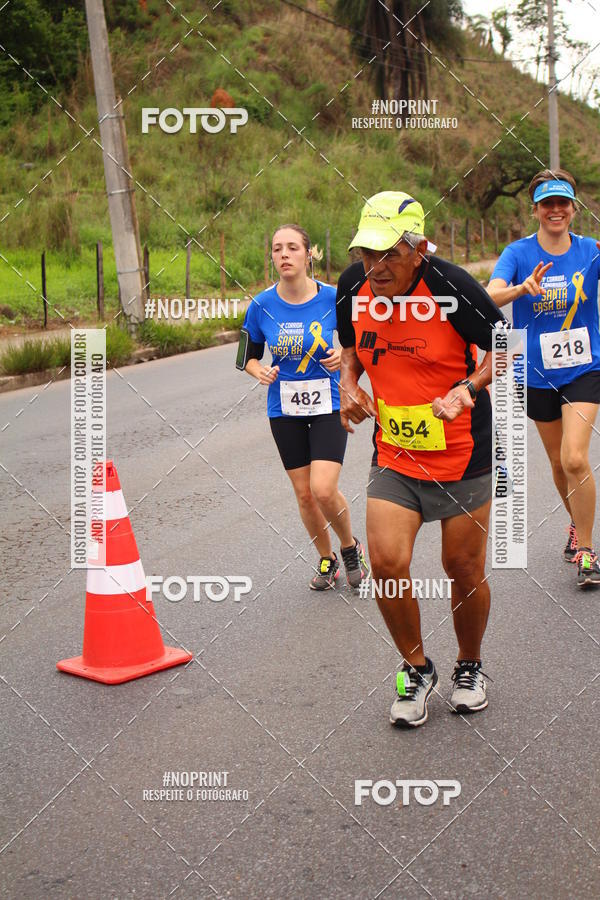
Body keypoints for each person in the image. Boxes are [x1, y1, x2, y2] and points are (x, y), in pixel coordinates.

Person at [337, 191, 507, 727]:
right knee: (387, 563)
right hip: (396, 453)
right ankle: (416, 666)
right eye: (367, 252)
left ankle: (470, 665)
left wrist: (468, 388)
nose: (375, 266)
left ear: (418, 248)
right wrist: (347, 382)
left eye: (388, 253)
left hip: (462, 455)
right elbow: (349, 344)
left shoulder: (452, 286)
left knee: (462, 567)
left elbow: (502, 346)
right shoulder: (352, 286)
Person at [236, 224, 369, 591]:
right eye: (277, 248)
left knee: (324, 488)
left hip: (328, 402)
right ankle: (326, 558)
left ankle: (350, 547)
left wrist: (343, 355)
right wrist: (258, 370)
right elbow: (244, 355)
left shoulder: (333, 298)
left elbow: (359, 343)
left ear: (309, 255)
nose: (284, 255)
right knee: (305, 494)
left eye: (292, 247)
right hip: (285, 408)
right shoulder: (262, 305)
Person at [488, 169, 600, 588]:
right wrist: (519, 290)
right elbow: (489, 293)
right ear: (535, 209)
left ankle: (587, 551)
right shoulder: (517, 254)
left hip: (585, 368)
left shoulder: (590, 250)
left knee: (575, 457)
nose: (556, 210)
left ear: (574, 208)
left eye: (563, 203)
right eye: (547, 203)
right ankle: (577, 525)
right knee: (557, 464)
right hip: (535, 373)